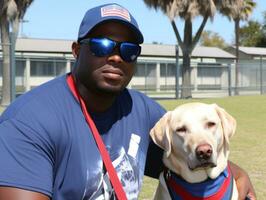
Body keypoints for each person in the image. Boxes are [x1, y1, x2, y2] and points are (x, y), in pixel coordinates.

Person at [0, 3, 256, 200]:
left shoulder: (141, 110)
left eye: (128, 50)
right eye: (102, 45)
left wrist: (236, 172)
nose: (116, 57)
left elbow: (185, 151)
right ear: (77, 51)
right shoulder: (29, 121)